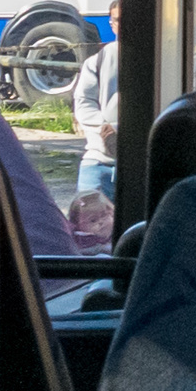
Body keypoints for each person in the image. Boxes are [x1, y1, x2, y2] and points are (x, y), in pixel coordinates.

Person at [66, 29, 122, 246]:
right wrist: (107, 134)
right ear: (112, 23)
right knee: (86, 235)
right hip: (98, 161)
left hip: (138, 163)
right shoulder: (97, 61)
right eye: (118, 19)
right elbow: (83, 105)